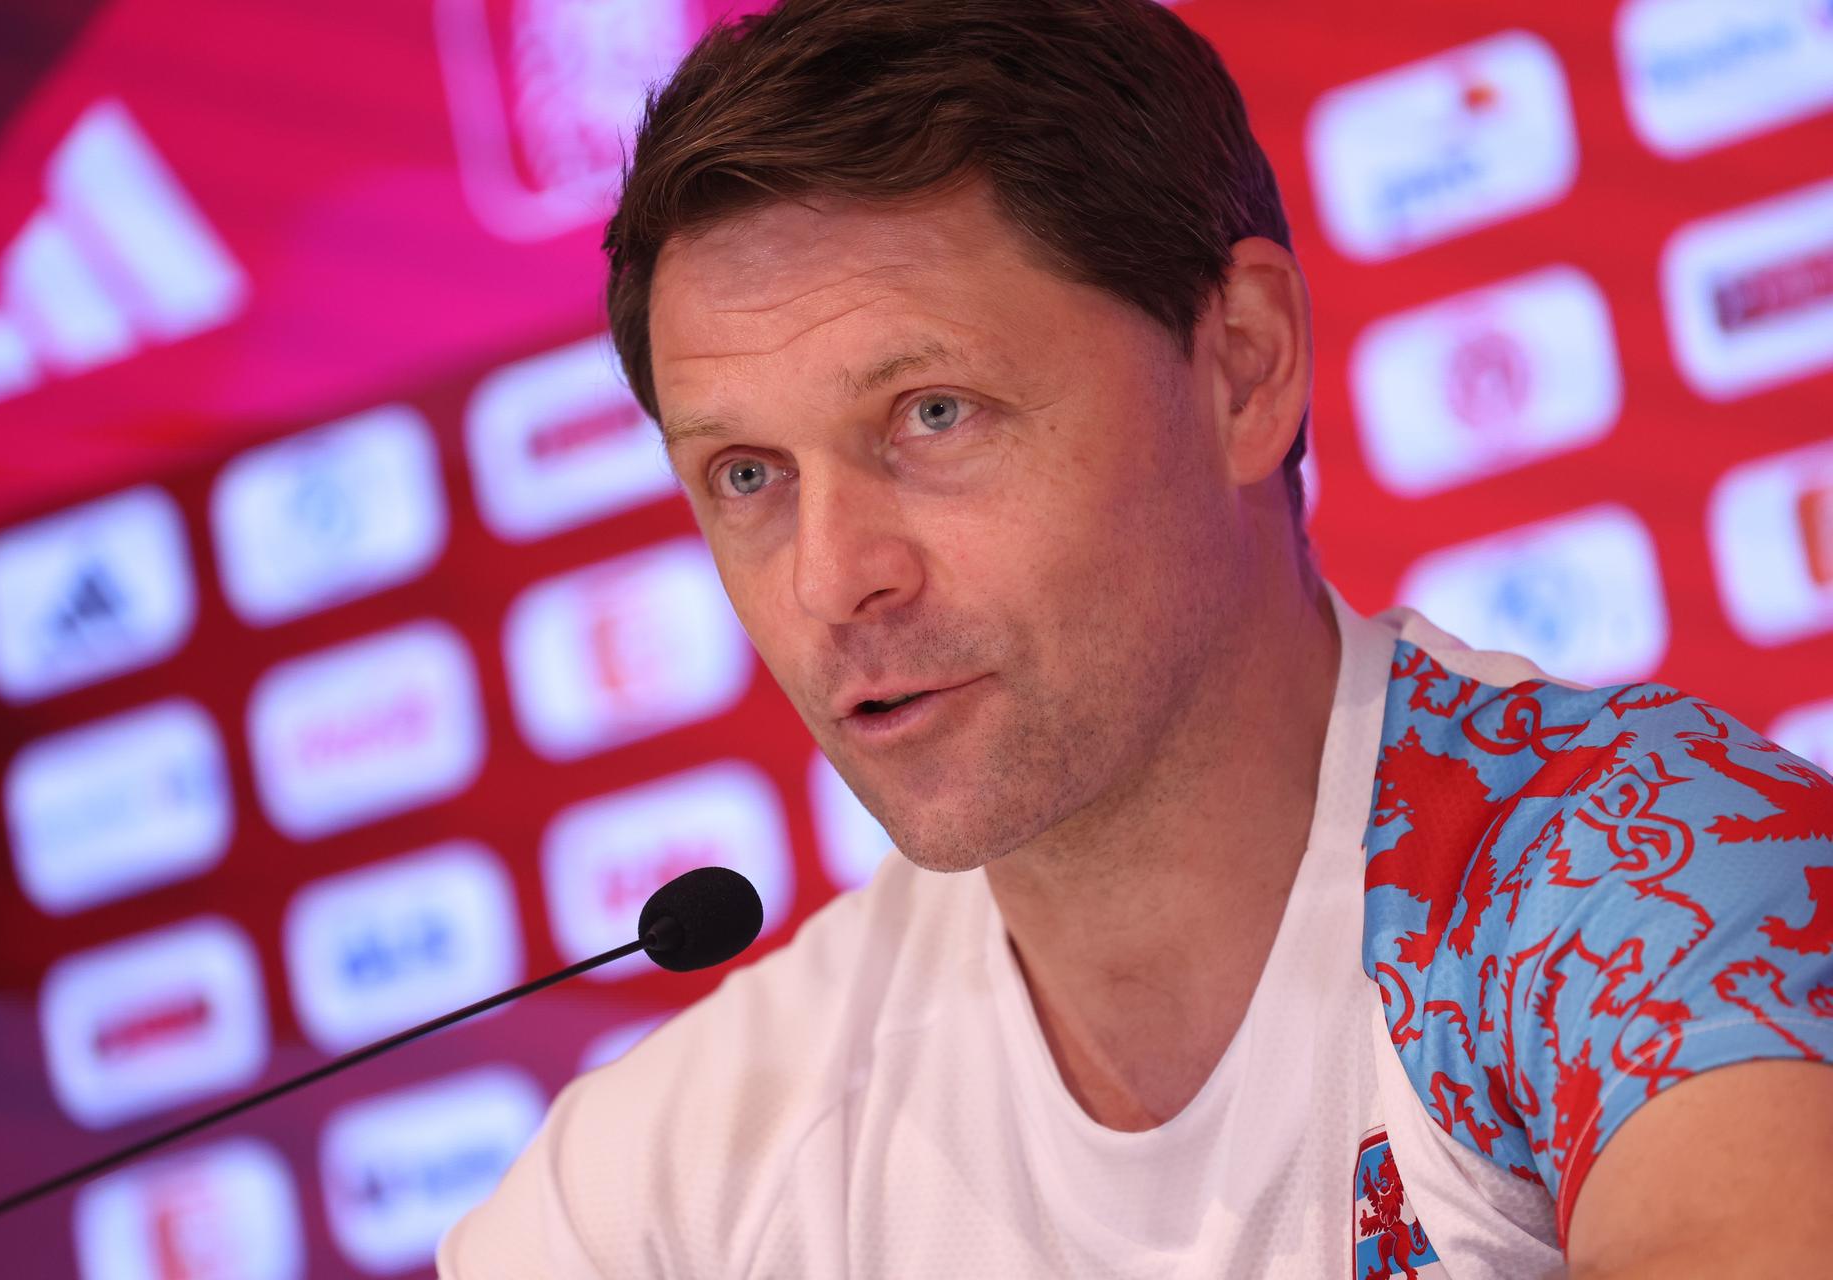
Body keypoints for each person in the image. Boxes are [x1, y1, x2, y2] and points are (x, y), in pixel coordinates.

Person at [440, 0, 1833, 1274]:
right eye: (749, 474)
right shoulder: (665, 1185)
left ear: (1243, 366)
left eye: (934, 414)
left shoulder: (1635, 887)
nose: (831, 579)